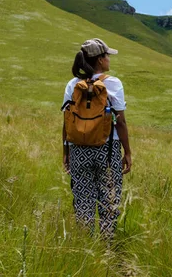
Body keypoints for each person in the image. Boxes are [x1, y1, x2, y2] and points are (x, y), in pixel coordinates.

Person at [62, 38, 132, 238]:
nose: (109, 59)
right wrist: (127, 152)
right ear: (100, 60)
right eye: (107, 55)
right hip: (107, 150)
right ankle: (106, 246)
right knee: (109, 199)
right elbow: (121, 121)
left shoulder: (73, 84)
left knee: (83, 198)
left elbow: (66, 120)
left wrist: (66, 152)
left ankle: (86, 245)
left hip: (78, 150)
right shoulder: (113, 83)